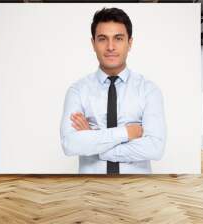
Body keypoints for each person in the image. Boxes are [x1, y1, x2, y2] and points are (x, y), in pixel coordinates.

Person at [60, 7, 166, 174]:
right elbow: (70, 145)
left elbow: (154, 148)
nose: (110, 47)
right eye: (102, 39)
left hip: (137, 191)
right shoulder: (77, 91)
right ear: (93, 43)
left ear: (129, 43)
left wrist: (95, 142)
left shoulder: (149, 90)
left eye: (118, 38)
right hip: (91, 192)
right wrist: (126, 132)